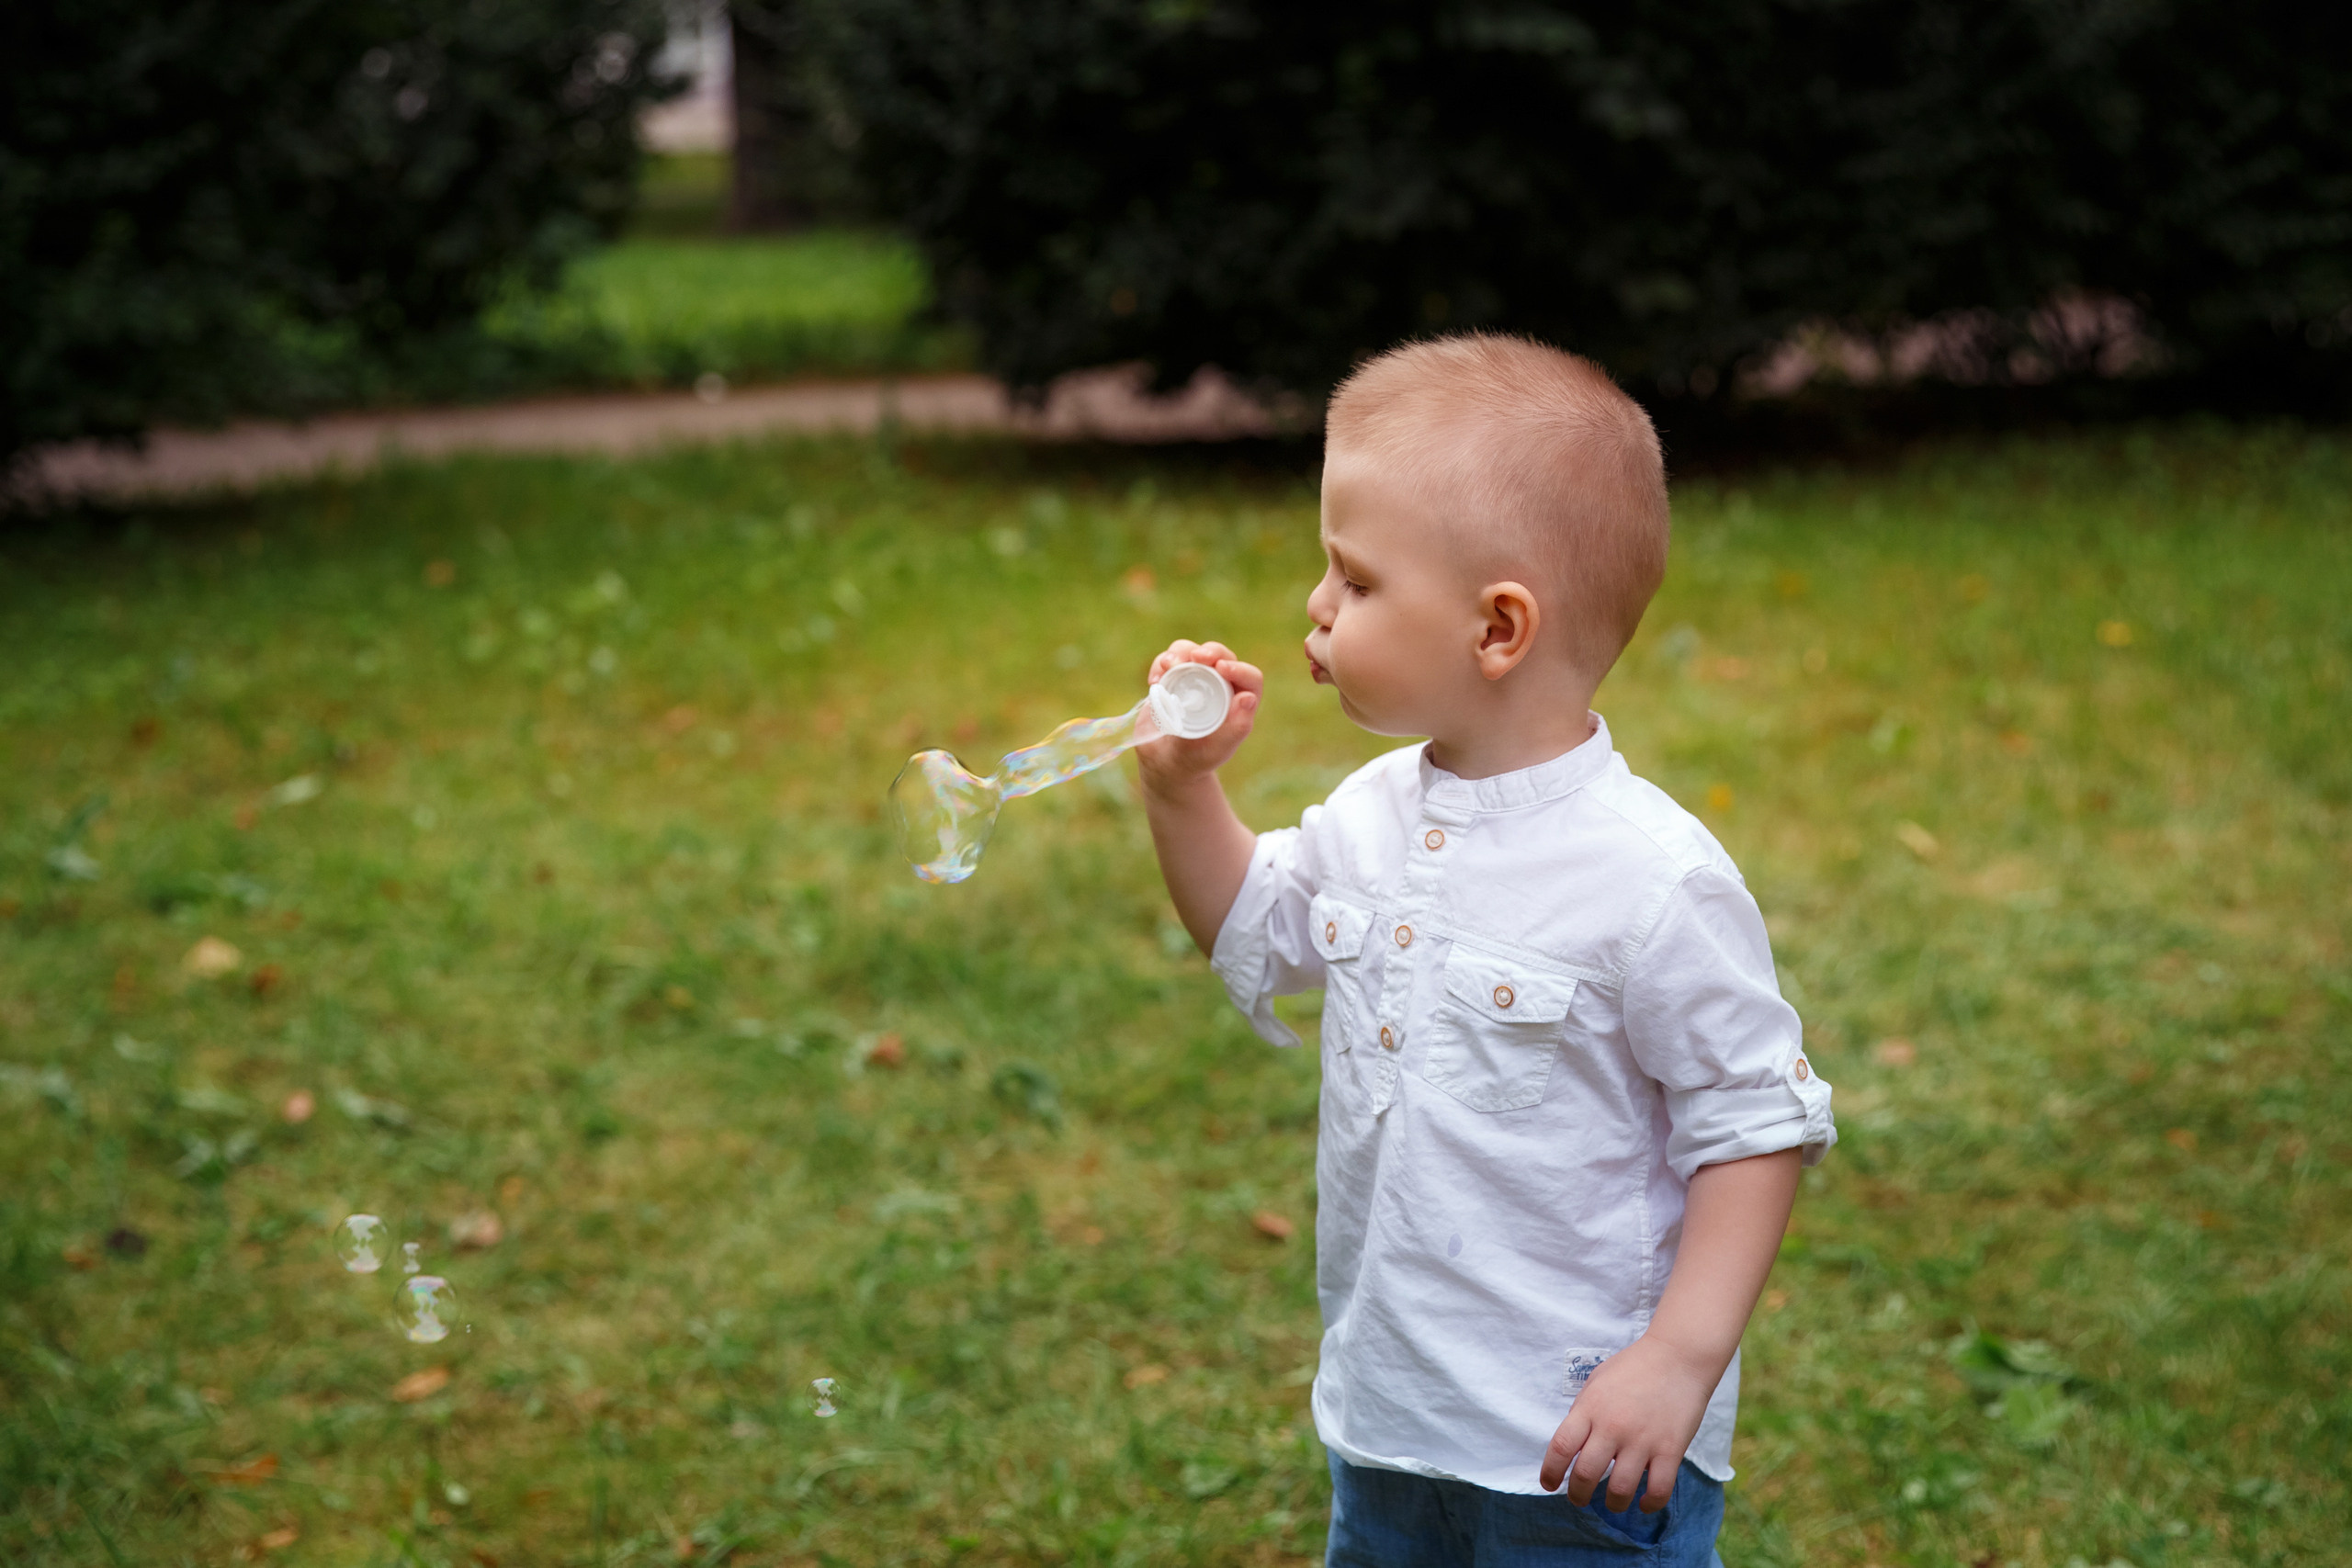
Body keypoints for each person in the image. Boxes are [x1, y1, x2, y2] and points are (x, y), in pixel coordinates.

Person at [1134, 333, 1837, 1567]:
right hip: (1395, 1418)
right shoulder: (1369, 815)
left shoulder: (1650, 881)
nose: (1316, 605)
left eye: (1354, 581)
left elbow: (1754, 1128)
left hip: (1584, 1450)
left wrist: (1674, 1363)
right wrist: (1185, 795)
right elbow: (1250, 923)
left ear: (1498, 627)